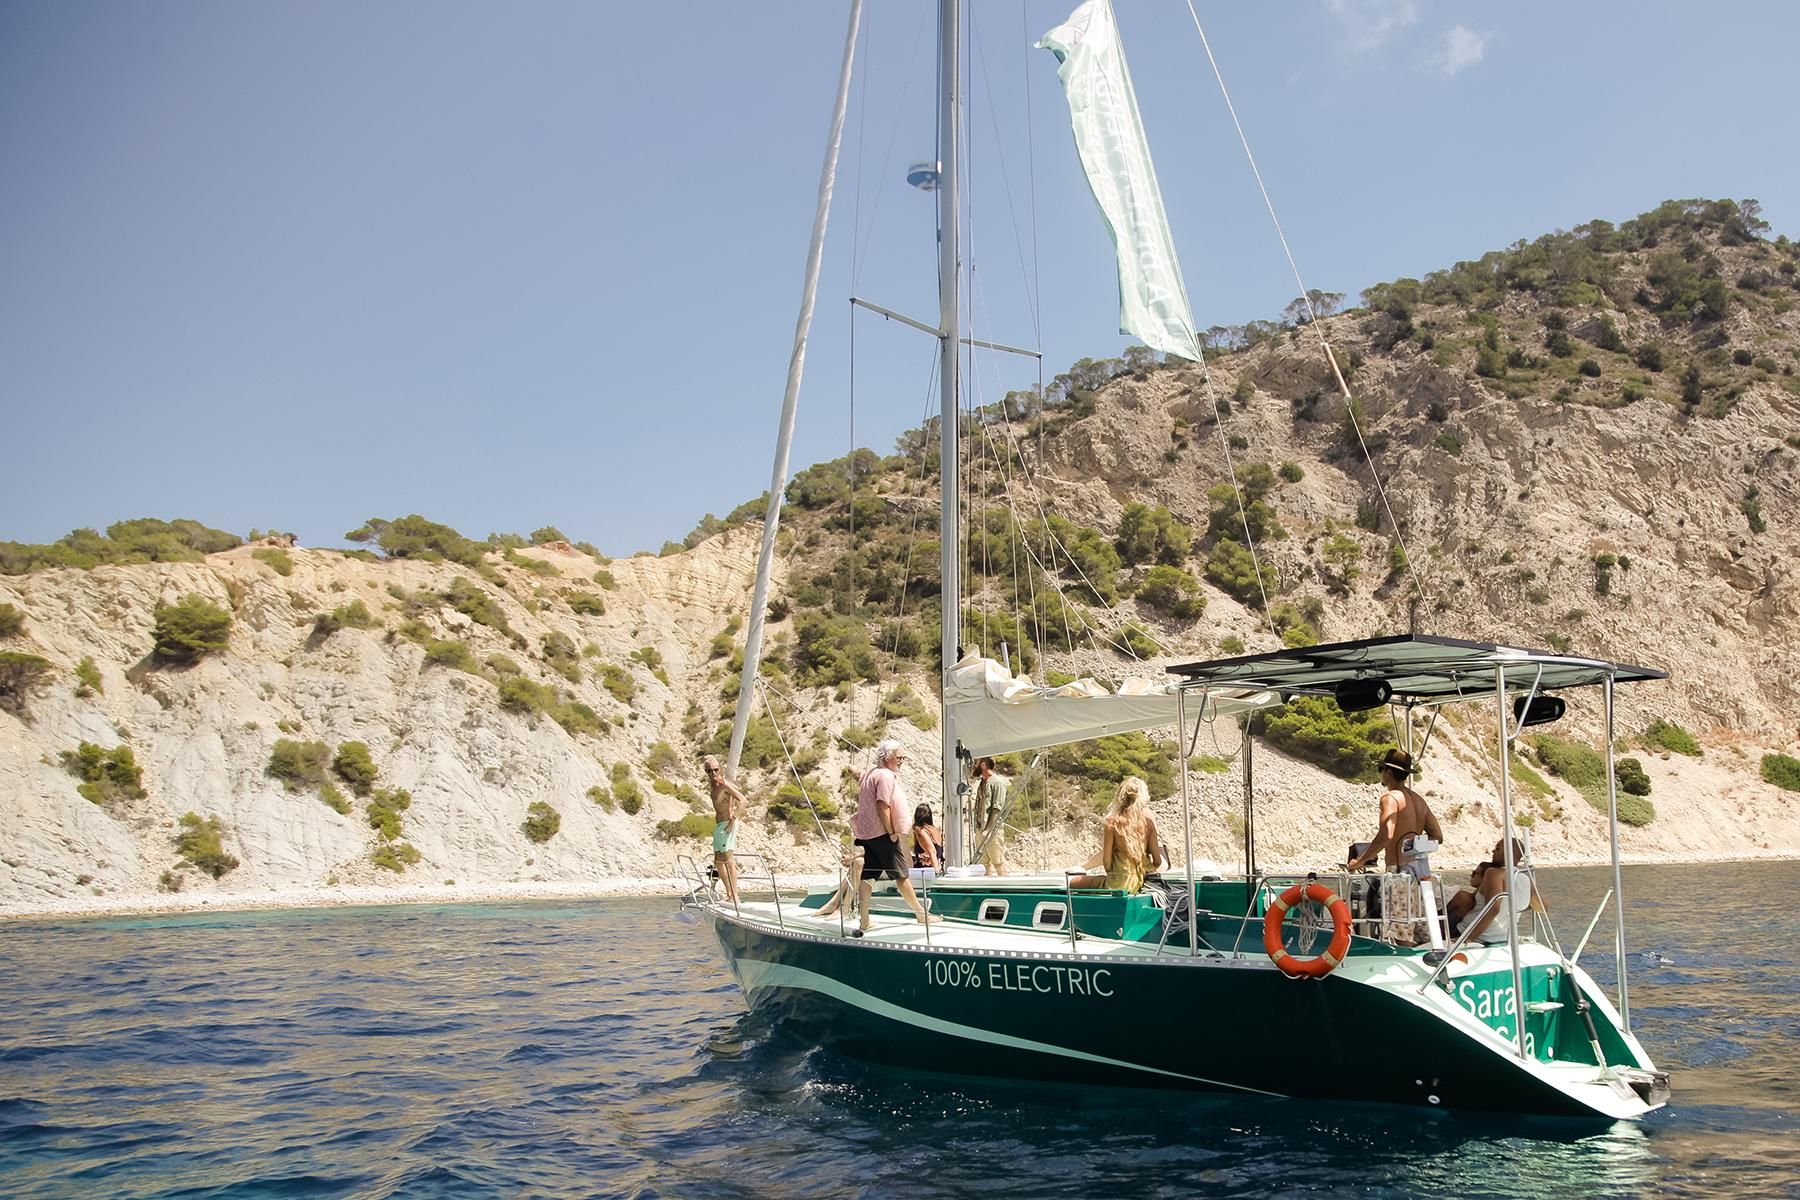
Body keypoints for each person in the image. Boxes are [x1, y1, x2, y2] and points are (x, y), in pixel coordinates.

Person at [850, 740, 940, 930]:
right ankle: (921, 915)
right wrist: (891, 832)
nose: (902, 761)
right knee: (901, 875)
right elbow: (883, 805)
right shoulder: (885, 776)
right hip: (882, 833)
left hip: (867, 834)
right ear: (888, 757)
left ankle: (864, 920)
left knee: (868, 874)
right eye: (899, 757)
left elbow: (859, 776)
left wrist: (851, 768)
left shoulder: (870, 774)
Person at [1346, 748, 1442, 877]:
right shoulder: (1420, 801)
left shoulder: (1390, 798)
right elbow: (1437, 837)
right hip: (1421, 872)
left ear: (1389, 773)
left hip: (1398, 872)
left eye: (1381, 769)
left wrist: (1359, 861)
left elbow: (1385, 836)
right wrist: (1412, 846)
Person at [1071, 776, 1166, 892]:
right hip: (1142, 881)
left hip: (1119, 883)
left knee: (1073, 882)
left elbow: (1107, 863)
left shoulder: (1112, 822)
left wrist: (1115, 875)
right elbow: (1157, 862)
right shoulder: (1148, 823)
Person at [1455, 837, 1546, 944]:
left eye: (1498, 848)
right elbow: (1543, 906)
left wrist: (1469, 938)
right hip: (1504, 937)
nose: (1493, 851)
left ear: (1509, 852)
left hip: (1473, 934)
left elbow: (1493, 909)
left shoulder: (1493, 873)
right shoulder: (1525, 879)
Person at [703, 755, 747, 904]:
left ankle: (735, 895)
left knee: (728, 861)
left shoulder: (723, 785)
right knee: (718, 861)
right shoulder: (713, 785)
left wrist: (734, 819)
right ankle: (729, 893)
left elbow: (743, 800)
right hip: (719, 826)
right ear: (706, 772)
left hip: (727, 825)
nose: (713, 774)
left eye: (715, 770)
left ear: (719, 769)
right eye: (709, 771)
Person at [973, 757, 1010, 876]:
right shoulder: (982, 783)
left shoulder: (998, 783)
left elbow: (997, 809)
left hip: (993, 830)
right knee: (982, 865)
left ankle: (1007, 890)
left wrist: (989, 829)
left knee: (998, 863)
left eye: (976, 763)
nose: (974, 766)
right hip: (980, 829)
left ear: (983, 765)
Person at [912, 803, 944, 871]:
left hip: (924, 872)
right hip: (931, 867)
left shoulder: (921, 831)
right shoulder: (935, 830)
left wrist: (936, 872)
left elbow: (932, 852)